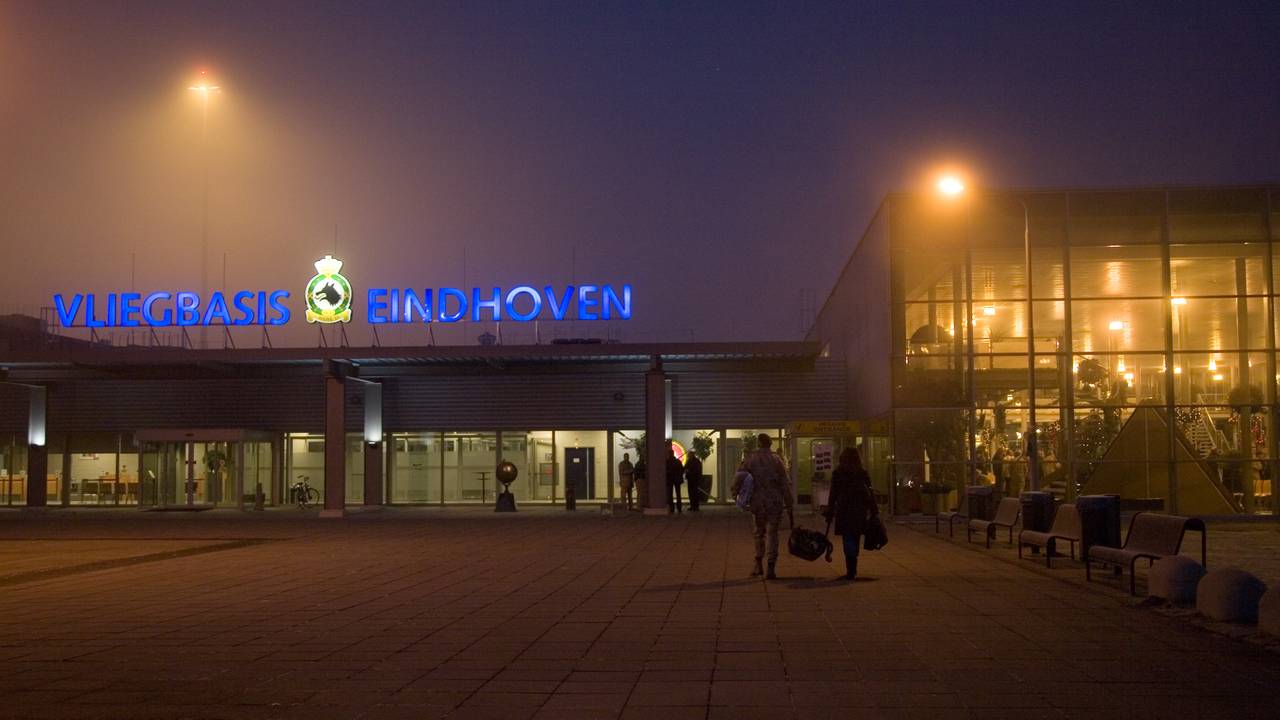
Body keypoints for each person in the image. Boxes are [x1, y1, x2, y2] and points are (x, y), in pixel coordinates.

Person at [736, 433, 793, 579]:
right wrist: (789, 502)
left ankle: (758, 563)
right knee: (773, 533)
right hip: (775, 502)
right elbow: (785, 483)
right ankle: (771, 566)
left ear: (759, 444)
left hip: (758, 502)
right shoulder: (777, 460)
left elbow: (739, 477)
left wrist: (737, 495)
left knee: (759, 533)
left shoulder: (751, 459)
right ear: (769, 444)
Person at [824, 447, 878, 580]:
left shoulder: (838, 473)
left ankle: (851, 569)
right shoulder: (862, 472)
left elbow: (833, 494)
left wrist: (830, 510)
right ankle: (853, 566)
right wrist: (873, 509)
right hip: (859, 509)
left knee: (847, 538)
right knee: (855, 537)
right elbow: (870, 493)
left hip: (844, 509)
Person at [665, 440, 684, 514]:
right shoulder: (677, 461)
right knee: (678, 494)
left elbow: (665, 471)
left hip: (670, 480)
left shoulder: (667, 462)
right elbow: (682, 470)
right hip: (677, 480)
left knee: (670, 495)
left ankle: (672, 508)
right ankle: (679, 508)